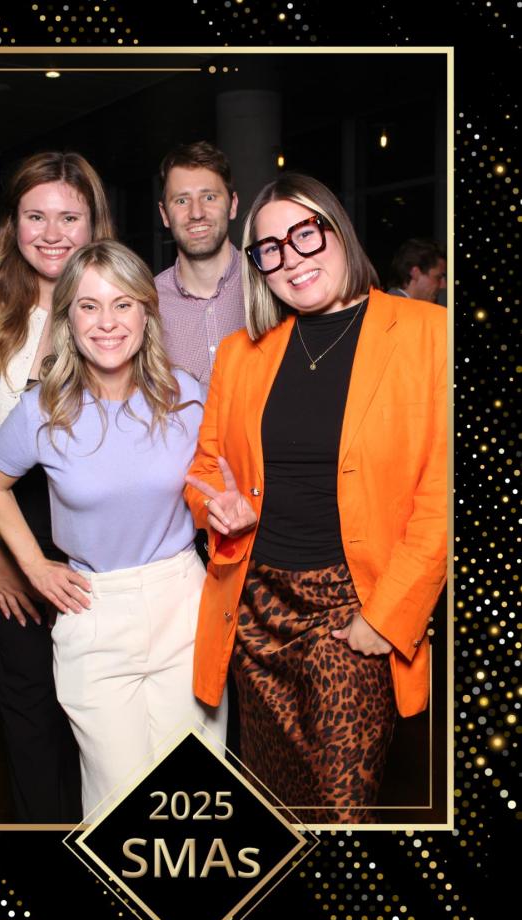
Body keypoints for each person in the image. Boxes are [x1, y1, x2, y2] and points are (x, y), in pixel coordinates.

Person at [185, 173, 447, 824]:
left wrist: (385, 618)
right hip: (256, 612)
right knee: (274, 805)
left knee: (339, 812)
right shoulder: (240, 354)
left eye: (305, 234)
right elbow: (205, 467)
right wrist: (216, 509)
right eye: (269, 248)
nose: (291, 259)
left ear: (338, 229)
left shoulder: (430, 334)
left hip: (352, 612)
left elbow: (440, 498)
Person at [0, 240, 228, 820]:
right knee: (119, 802)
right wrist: (34, 566)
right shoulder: (43, 409)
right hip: (94, 612)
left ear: (146, 312)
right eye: (88, 306)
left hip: (184, 602)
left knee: (196, 794)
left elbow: (221, 484)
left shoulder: (187, 395)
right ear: (69, 319)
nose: (107, 322)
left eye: (122, 304)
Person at [0, 150, 114, 823]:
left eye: (69, 217)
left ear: (93, 223)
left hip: (96, 530)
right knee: (29, 699)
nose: (52, 232)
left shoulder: (114, 303)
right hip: (7, 520)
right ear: (13, 225)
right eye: (35, 216)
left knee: (96, 700)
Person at [155, 141, 245, 387]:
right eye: (182, 201)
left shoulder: (267, 283)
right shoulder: (147, 303)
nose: (197, 213)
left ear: (233, 205)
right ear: (164, 215)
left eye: (209, 197)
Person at [387, 237, 447, 303]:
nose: (444, 286)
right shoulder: (395, 307)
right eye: (438, 277)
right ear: (415, 273)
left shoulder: (390, 303)